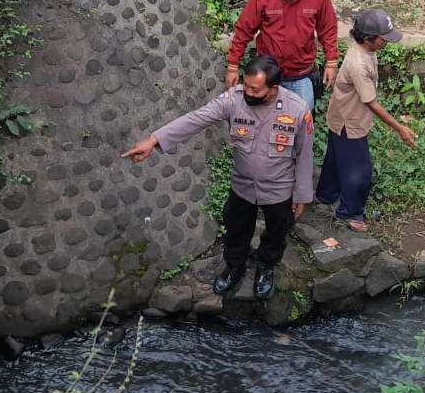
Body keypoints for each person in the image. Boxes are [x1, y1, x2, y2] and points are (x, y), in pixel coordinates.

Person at [122, 56, 313, 299]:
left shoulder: (297, 109)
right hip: (243, 186)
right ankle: (235, 268)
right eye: (246, 85)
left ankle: (266, 268)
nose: (248, 92)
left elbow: (304, 154)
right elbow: (195, 119)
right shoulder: (233, 100)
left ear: (273, 88)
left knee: (277, 233)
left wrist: (302, 195)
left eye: (255, 89)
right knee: (236, 230)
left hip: (279, 189)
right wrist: (153, 140)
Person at [315, 10, 417, 233]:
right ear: (368, 38)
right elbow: (371, 102)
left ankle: (326, 195)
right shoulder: (359, 66)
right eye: (383, 38)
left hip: (341, 115)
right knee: (360, 171)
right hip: (349, 122)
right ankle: (349, 212)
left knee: (335, 158)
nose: (386, 42)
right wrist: (400, 128)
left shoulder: (366, 50)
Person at [224, 0, 339, 110]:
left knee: (302, 119)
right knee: (262, 120)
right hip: (268, 76)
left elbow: (328, 29)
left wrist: (331, 62)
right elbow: (244, 31)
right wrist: (232, 66)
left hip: (301, 75)